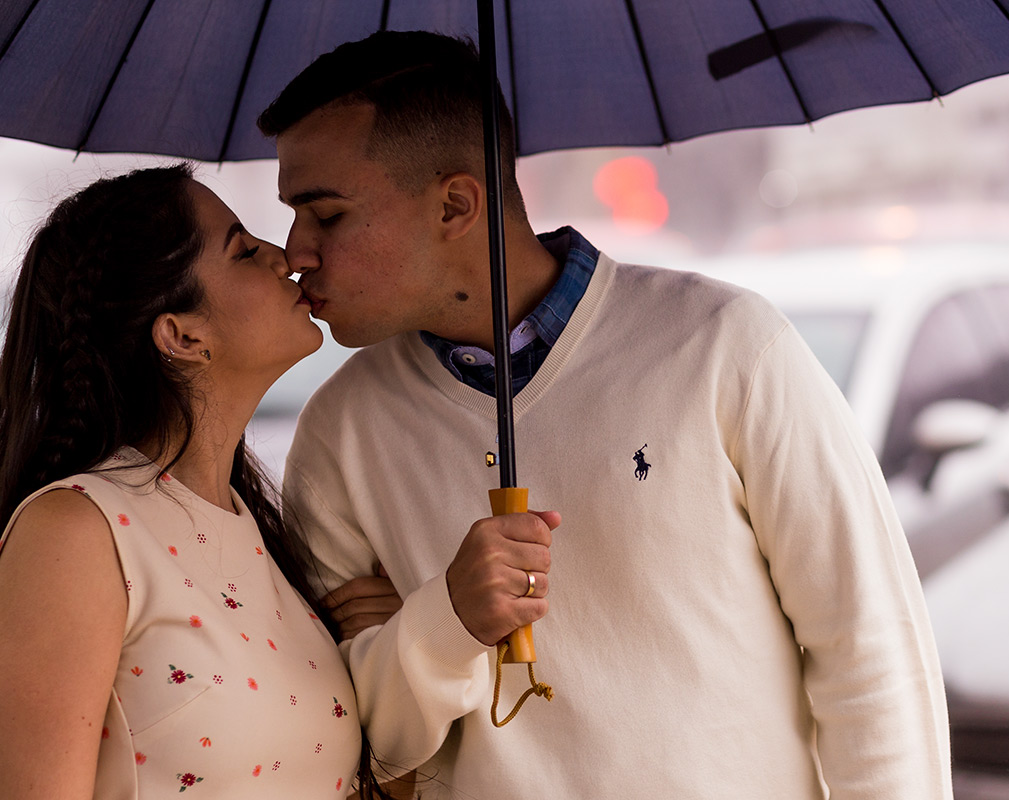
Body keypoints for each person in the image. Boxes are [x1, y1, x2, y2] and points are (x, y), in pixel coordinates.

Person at [259, 31, 953, 799]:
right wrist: (440, 622)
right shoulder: (338, 435)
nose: (294, 251)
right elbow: (356, 750)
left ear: (456, 205)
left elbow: (870, 655)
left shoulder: (724, 346)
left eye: (325, 214)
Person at [0, 165, 410, 798]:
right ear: (183, 334)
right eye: (244, 251)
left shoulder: (259, 534)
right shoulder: (77, 532)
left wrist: (409, 640)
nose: (283, 258)